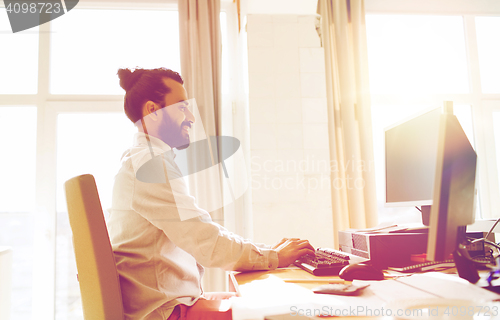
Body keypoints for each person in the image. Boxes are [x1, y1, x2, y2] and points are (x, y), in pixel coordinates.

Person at [108, 67, 315, 320]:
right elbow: (204, 241)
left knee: (265, 300)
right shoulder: (149, 164)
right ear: (152, 110)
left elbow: (201, 230)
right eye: (182, 107)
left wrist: (269, 252)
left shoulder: (145, 160)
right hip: (164, 311)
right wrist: (274, 257)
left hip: (170, 302)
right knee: (283, 312)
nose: (192, 117)